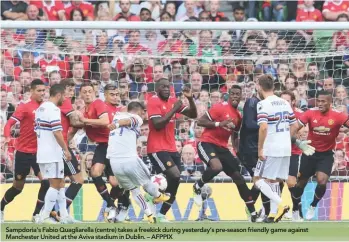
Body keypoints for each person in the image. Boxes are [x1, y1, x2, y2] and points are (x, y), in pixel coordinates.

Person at [254, 75, 314, 223]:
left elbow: (263, 128)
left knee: (257, 180)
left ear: (260, 87)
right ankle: (273, 214)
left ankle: (282, 205)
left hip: (271, 148)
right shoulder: (284, 103)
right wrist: (290, 140)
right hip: (286, 148)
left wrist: (260, 148)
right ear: (273, 87)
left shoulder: (263, 104)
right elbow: (294, 125)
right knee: (274, 181)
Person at [194, 85, 257, 222]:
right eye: (232, 94)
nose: (235, 96)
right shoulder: (219, 107)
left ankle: (252, 213)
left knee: (239, 178)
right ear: (229, 95)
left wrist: (236, 150)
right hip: (206, 143)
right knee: (217, 167)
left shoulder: (238, 116)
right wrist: (219, 124)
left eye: (237, 94)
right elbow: (201, 121)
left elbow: (235, 135)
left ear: (240, 97)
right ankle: (197, 186)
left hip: (222, 148)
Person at [107, 101, 170, 223]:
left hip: (114, 163)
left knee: (134, 190)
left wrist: (116, 122)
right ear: (140, 110)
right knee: (146, 182)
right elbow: (128, 121)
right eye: (144, 111)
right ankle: (158, 196)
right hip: (129, 159)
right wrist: (118, 124)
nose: (144, 114)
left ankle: (150, 215)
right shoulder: (136, 118)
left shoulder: (116, 115)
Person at [291, 90, 349, 221]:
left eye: (324, 101)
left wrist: (345, 129)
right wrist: (297, 142)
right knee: (300, 184)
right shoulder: (310, 113)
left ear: (330, 102)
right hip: (309, 152)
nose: (320, 103)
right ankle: (295, 207)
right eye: (319, 101)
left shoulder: (338, 116)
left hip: (326, 155)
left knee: (322, 181)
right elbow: (294, 127)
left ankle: (313, 206)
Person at [147, 78, 197, 222]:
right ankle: (153, 196)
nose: (166, 89)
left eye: (168, 86)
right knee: (174, 175)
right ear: (157, 89)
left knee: (175, 180)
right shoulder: (153, 101)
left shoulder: (172, 100)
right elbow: (157, 124)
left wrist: (190, 99)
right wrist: (174, 109)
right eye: (163, 86)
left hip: (171, 147)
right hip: (156, 148)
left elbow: (193, 115)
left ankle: (162, 213)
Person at [1, 79, 49, 223]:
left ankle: (36, 215)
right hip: (23, 152)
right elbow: (9, 124)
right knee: (18, 187)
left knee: (46, 183)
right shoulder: (25, 107)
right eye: (39, 91)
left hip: (39, 154)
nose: (42, 93)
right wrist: (8, 137)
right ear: (32, 92)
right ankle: (1, 207)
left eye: (43, 90)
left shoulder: (47, 108)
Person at [77, 82, 122, 221]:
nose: (87, 94)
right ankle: (110, 204)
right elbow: (90, 132)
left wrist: (85, 121)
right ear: (80, 95)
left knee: (115, 183)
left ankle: (117, 206)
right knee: (95, 172)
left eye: (90, 91)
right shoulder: (85, 110)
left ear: (95, 93)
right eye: (84, 92)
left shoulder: (98, 104)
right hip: (103, 145)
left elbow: (104, 121)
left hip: (114, 146)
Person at [35, 84, 75, 224]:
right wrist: (65, 149)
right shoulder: (54, 109)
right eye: (64, 95)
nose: (65, 98)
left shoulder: (40, 108)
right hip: (53, 153)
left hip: (42, 152)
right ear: (58, 95)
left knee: (61, 183)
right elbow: (57, 132)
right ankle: (44, 216)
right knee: (55, 184)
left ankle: (64, 215)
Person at [238, 85, 271, 222]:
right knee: (261, 180)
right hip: (249, 150)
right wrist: (268, 125)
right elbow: (250, 124)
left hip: (258, 148)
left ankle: (264, 212)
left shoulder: (263, 104)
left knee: (264, 180)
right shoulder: (252, 102)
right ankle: (251, 209)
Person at [280, 90, 304, 221]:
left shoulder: (299, 114)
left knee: (291, 182)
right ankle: (274, 210)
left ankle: (296, 209)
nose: (284, 103)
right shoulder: (276, 113)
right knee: (275, 181)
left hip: (293, 153)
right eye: (282, 100)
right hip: (277, 152)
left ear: (293, 101)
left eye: (287, 101)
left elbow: (302, 133)